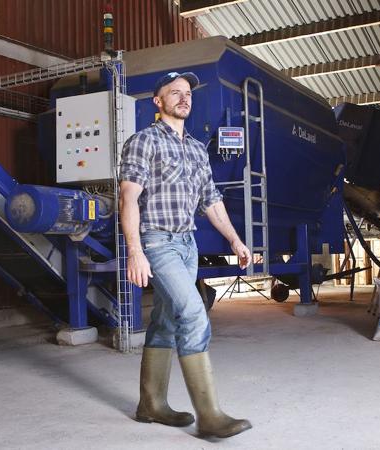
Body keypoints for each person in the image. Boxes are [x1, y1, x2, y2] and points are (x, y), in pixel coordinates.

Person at [119, 71, 253, 438]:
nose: (184, 97)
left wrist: (235, 240)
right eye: (174, 92)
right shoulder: (143, 141)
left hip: (187, 244)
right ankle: (210, 415)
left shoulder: (196, 148)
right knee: (193, 312)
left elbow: (211, 199)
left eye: (188, 93)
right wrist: (134, 251)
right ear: (158, 102)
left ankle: (151, 404)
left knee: (166, 320)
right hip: (157, 242)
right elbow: (128, 198)